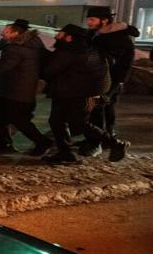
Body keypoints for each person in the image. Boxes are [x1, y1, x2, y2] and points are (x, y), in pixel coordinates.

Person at [42, 24, 127, 163]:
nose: (57, 36)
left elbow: (49, 71)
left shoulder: (68, 52)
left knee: (74, 123)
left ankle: (116, 144)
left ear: (69, 37)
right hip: (91, 94)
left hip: (71, 93)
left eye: (60, 33)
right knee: (63, 122)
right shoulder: (92, 49)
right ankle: (66, 153)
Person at [0, 19, 52, 155]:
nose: (3, 34)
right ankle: (4, 144)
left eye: (6, 32)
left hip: (13, 89)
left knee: (16, 119)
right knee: (5, 117)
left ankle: (42, 142)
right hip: (23, 87)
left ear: (16, 33)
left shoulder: (15, 49)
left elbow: (1, 67)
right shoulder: (34, 43)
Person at [83, 5, 137, 146]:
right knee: (101, 107)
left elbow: (121, 63)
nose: (89, 22)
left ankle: (99, 141)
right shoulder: (95, 34)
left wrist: (116, 82)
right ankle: (103, 137)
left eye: (92, 19)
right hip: (96, 78)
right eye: (88, 19)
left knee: (99, 107)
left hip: (109, 79)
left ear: (105, 20)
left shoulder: (119, 39)